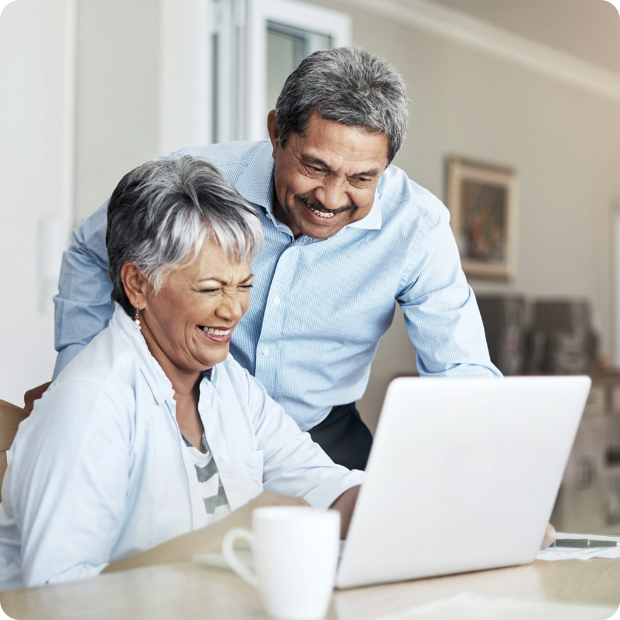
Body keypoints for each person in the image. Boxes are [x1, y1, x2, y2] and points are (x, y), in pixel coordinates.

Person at [27, 46, 500, 471]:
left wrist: (483, 482)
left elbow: (462, 371)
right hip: (181, 420)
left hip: (319, 432)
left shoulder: (417, 226)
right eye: (315, 167)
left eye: (362, 178)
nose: (331, 197)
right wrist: (79, 378)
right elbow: (92, 251)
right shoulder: (194, 182)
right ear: (277, 133)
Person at [0, 157, 363, 590]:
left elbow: (323, 486)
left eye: (243, 285)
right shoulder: (91, 401)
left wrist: (409, 499)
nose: (233, 311)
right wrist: (225, 538)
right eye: (210, 289)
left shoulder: (228, 384)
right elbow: (54, 594)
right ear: (138, 284)